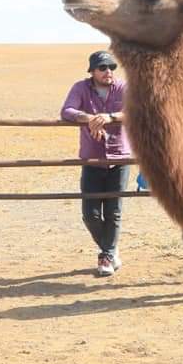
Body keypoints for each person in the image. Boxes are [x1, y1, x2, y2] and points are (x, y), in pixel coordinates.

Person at [60, 51, 131, 276]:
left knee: (114, 211)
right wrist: (89, 118)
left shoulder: (123, 88)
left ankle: (106, 256)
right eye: (102, 67)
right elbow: (67, 111)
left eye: (111, 67)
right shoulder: (81, 88)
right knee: (90, 213)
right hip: (91, 159)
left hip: (119, 158)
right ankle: (110, 249)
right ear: (92, 71)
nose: (108, 71)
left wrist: (110, 117)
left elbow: (136, 112)